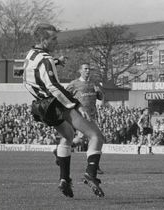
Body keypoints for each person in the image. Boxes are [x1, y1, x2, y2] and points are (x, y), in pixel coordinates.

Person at [23, 23, 105, 198]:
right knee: (96, 136)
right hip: (54, 102)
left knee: (68, 135)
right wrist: (76, 104)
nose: (55, 42)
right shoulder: (45, 59)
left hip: (39, 106)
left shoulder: (31, 55)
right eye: (53, 39)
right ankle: (91, 174)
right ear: (43, 40)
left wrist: (57, 61)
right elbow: (54, 86)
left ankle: (64, 179)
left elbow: (34, 73)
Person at [65, 63, 104, 174]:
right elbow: (64, 96)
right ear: (80, 71)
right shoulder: (74, 84)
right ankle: (94, 165)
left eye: (89, 69)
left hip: (92, 115)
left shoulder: (94, 83)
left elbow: (100, 97)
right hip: (80, 115)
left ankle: (62, 149)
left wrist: (98, 91)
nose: (88, 71)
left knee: (84, 139)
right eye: (85, 69)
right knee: (97, 137)